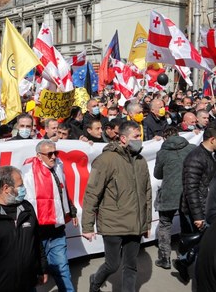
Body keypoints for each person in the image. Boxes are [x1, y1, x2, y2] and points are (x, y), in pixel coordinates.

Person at [82, 121, 152, 292]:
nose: (140, 140)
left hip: (135, 225)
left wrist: (147, 223)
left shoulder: (141, 161)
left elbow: (147, 193)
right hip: (113, 224)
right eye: (136, 137)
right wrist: (87, 226)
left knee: (131, 265)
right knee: (113, 265)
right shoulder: (105, 160)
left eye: (140, 136)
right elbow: (92, 193)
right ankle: (95, 282)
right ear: (123, 138)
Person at [21, 140, 78, 292]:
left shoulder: (58, 166)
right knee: (34, 272)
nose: (53, 157)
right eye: (49, 154)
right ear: (39, 156)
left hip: (57, 228)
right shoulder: (28, 173)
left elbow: (63, 191)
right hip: (38, 231)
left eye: (55, 153)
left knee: (62, 268)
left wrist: (71, 211)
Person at [174, 126, 216, 284]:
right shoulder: (196, 158)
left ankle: (185, 262)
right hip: (196, 211)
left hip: (206, 207)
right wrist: (198, 216)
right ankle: (187, 265)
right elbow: (191, 189)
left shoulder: (210, 155)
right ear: (212, 139)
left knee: (202, 243)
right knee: (200, 244)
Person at [153, 127, 195, 269]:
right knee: (187, 224)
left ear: (165, 138)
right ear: (178, 135)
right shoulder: (191, 148)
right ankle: (186, 256)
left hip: (169, 193)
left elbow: (157, 174)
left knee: (165, 224)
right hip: (188, 192)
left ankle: (165, 258)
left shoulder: (162, 153)